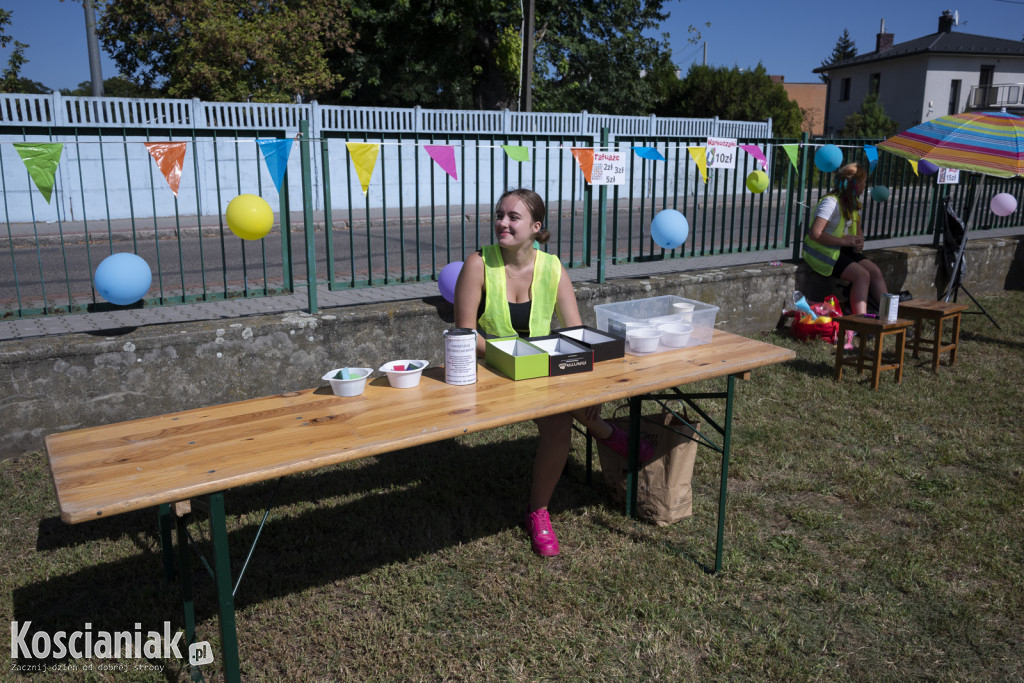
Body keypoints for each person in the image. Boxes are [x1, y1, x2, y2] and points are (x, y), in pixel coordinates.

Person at [453, 188, 653, 557]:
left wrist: (576, 388)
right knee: (564, 415)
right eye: (499, 215)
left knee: (560, 420)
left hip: (545, 368)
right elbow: (465, 336)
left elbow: (576, 333)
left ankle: (538, 511)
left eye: (513, 217)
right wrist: (514, 356)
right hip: (496, 370)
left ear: (536, 226)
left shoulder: (553, 267)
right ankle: (606, 432)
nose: (502, 222)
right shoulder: (477, 264)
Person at [803, 162, 889, 345]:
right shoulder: (830, 202)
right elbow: (815, 233)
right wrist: (844, 241)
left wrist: (858, 242)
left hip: (842, 248)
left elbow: (858, 233)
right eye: (864, 182)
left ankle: (887, 317)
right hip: (822, 251)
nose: (866, 186)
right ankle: (860, 324)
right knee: (862, 275)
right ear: (854, 184)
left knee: (874, 271)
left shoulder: (854, 203)